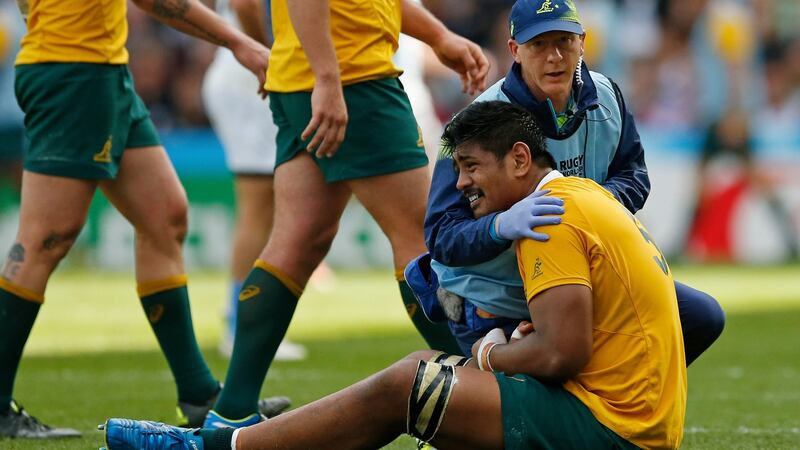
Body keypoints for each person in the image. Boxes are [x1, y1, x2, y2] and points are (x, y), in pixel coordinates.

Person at [100, 100, 687, 450]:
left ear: (519, 160)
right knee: (434, 386)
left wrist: (487, 355)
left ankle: (211, 446)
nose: (460, 185)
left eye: (470, 167)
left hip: (615, 429)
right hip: (631, 418)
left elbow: (562, 354)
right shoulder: (578, 196)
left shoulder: (549, 218)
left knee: (411, 381)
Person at [198, 0, 489, 428]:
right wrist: (328, 78)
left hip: (305, 79)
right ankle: (485, 391)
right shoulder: (339, 72)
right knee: (418, 237)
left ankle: (232, 408)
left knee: (295, 243)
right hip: (353, 77)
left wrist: (438, 36)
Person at [0, 0, 270, 438]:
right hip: (72, 69)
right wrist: (237, 40)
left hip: (102, 68)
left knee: (165, 215)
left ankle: (199, 394)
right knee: (45, 237)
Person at [418, 0, 725, 361]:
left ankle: (601, 394)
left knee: (701, 318)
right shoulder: (472, 124)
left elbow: (634, 175)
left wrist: (586, 207)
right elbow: (441, 235)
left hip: (578, 281)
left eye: (564, 41)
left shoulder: (608, 95)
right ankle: (489, 361)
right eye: (539, 45)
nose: (555, 57)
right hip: (495, 294)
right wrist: (500, 227)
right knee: (544, 389)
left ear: (582, 41)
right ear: (515, 51)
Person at [201, 0, 307, 363]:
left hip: (244, 75)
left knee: (269, 206)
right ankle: (240, 324)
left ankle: (244, 318)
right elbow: (244, 4)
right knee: (259, 206)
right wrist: (274, 56)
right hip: (250, 80)